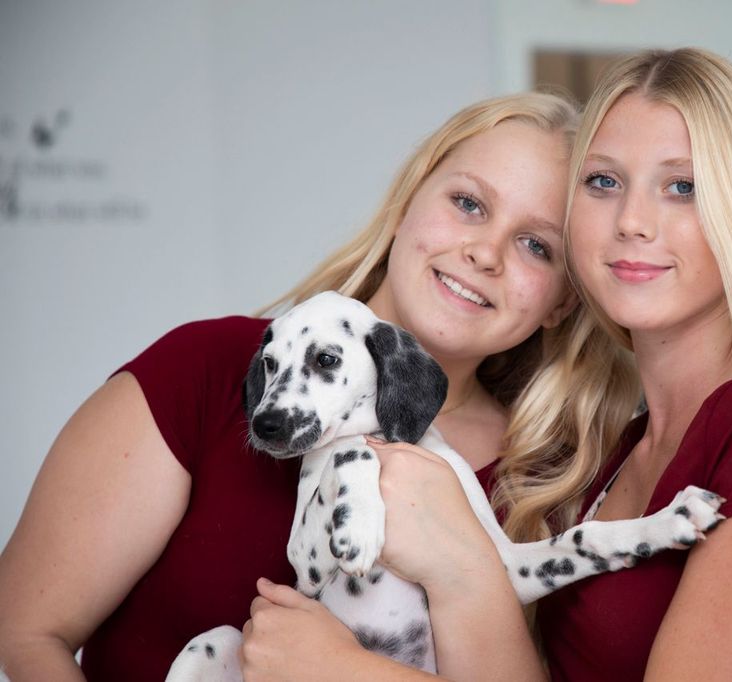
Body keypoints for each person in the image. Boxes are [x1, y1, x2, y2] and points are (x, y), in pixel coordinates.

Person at [290, 48, 732, 681]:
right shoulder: (606, 462)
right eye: (604, 182)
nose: (632, 222)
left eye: (683, 187)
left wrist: (347, 670)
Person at [0, 91, 640, 681]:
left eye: (537, 246)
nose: (486, 252)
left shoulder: (551, 478)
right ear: (406, 204)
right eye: (468, 203)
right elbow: (26, 630)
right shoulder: (210, 370)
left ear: (563, 301)